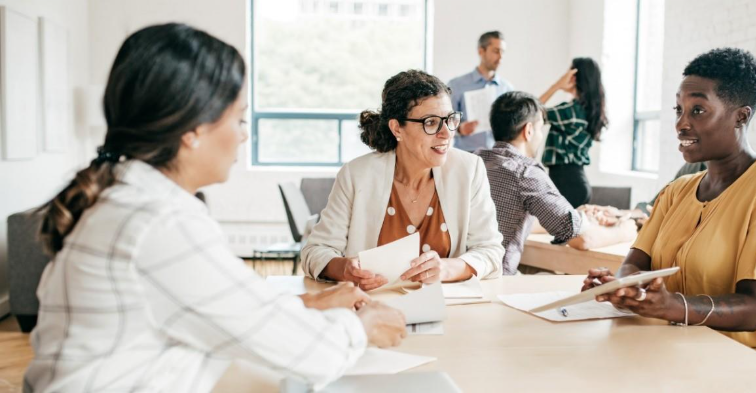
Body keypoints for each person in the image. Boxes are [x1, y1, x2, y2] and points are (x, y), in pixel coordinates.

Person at [25, 24, 407, 392]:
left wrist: (307, 302)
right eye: (238, 118)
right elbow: (310, 354)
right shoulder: (160, 223)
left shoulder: (128, 199)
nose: (243, 134)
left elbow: (213, 304)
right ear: (192, 130)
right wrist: (363, 325)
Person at [583, 48, 756, 359]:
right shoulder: (677, 192)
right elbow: (636, 264)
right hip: (685, 347)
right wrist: (622, 287)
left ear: (741, 116)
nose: (681, 124)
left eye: (698, 110)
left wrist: (672, 306)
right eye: (678, 109)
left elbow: (755, 309)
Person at [302, 70, 505, 290]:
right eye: (431, 122)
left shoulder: (468, 169)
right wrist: (344, 269)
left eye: (450, 120)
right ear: (397, 127)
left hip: (447, 311)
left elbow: (490, 251)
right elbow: (315, 251)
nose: (446, 133)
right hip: (371, 309)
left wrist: (446, 268)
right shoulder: (356, 175)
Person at [478, 91, 637, 275]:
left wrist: (575, 215)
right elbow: (583, 239)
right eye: (540, 129)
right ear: (528, 131)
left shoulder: (476, 160)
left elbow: (506, 219)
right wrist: (624, 232)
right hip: (495, 280)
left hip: (464, 277)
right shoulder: (525, 172)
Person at [539, 57, 608, 208]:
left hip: (566, 182)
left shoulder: (570, 111)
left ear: (574, 77)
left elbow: (530, 112)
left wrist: (556, 85)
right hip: (575, 181)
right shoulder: (585, 110)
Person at [448, 31, 514, 152]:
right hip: (467, 155)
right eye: (496, 51)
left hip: (498, 157)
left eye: (503, 52)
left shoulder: (507, 89)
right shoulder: (456, 85)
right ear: (481, 51)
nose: (500, 57)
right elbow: (445, 121)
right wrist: (460, 129)